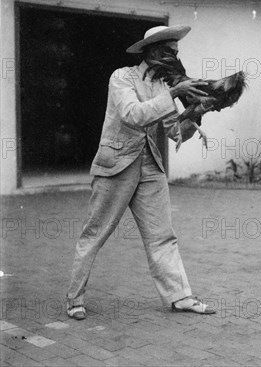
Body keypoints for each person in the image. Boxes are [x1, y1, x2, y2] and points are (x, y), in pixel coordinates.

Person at [66, 25, 216, 320]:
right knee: (94, 234)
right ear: (153, 51)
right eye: (170, 52)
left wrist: (199, 111)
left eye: (176, 53)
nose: (174, 57)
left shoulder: (162, 86)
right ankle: (74, 298)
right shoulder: (121, 77)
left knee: (162, 235)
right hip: (116, 163)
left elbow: (175, 133)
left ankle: (180, 296)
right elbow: (133, 115)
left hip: (149, 165)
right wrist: (175, 92)